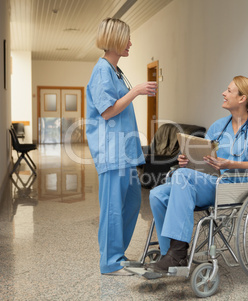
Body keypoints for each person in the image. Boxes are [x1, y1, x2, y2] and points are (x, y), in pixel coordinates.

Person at [147, 75, 248, 273]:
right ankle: (168, 253)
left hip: (236, 186)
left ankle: (178, 254)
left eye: (229, 90)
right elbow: (203, 158)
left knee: (181, 177)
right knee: (157, 194)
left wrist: (230, 163)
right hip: (213, 183)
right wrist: (187, 160)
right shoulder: (218, 126)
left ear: (242, 98)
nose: (224, 93)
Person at [86, 18, 157, 276]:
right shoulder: (102, 70)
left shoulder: (115, 71)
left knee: (132, 201)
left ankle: (118, 254)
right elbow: (106, 112)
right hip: (111, 152)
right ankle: (110, 262)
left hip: (124, 152)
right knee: (113, 209)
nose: (130, 43)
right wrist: (137, 90)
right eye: (126, 38)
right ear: (115, 40)